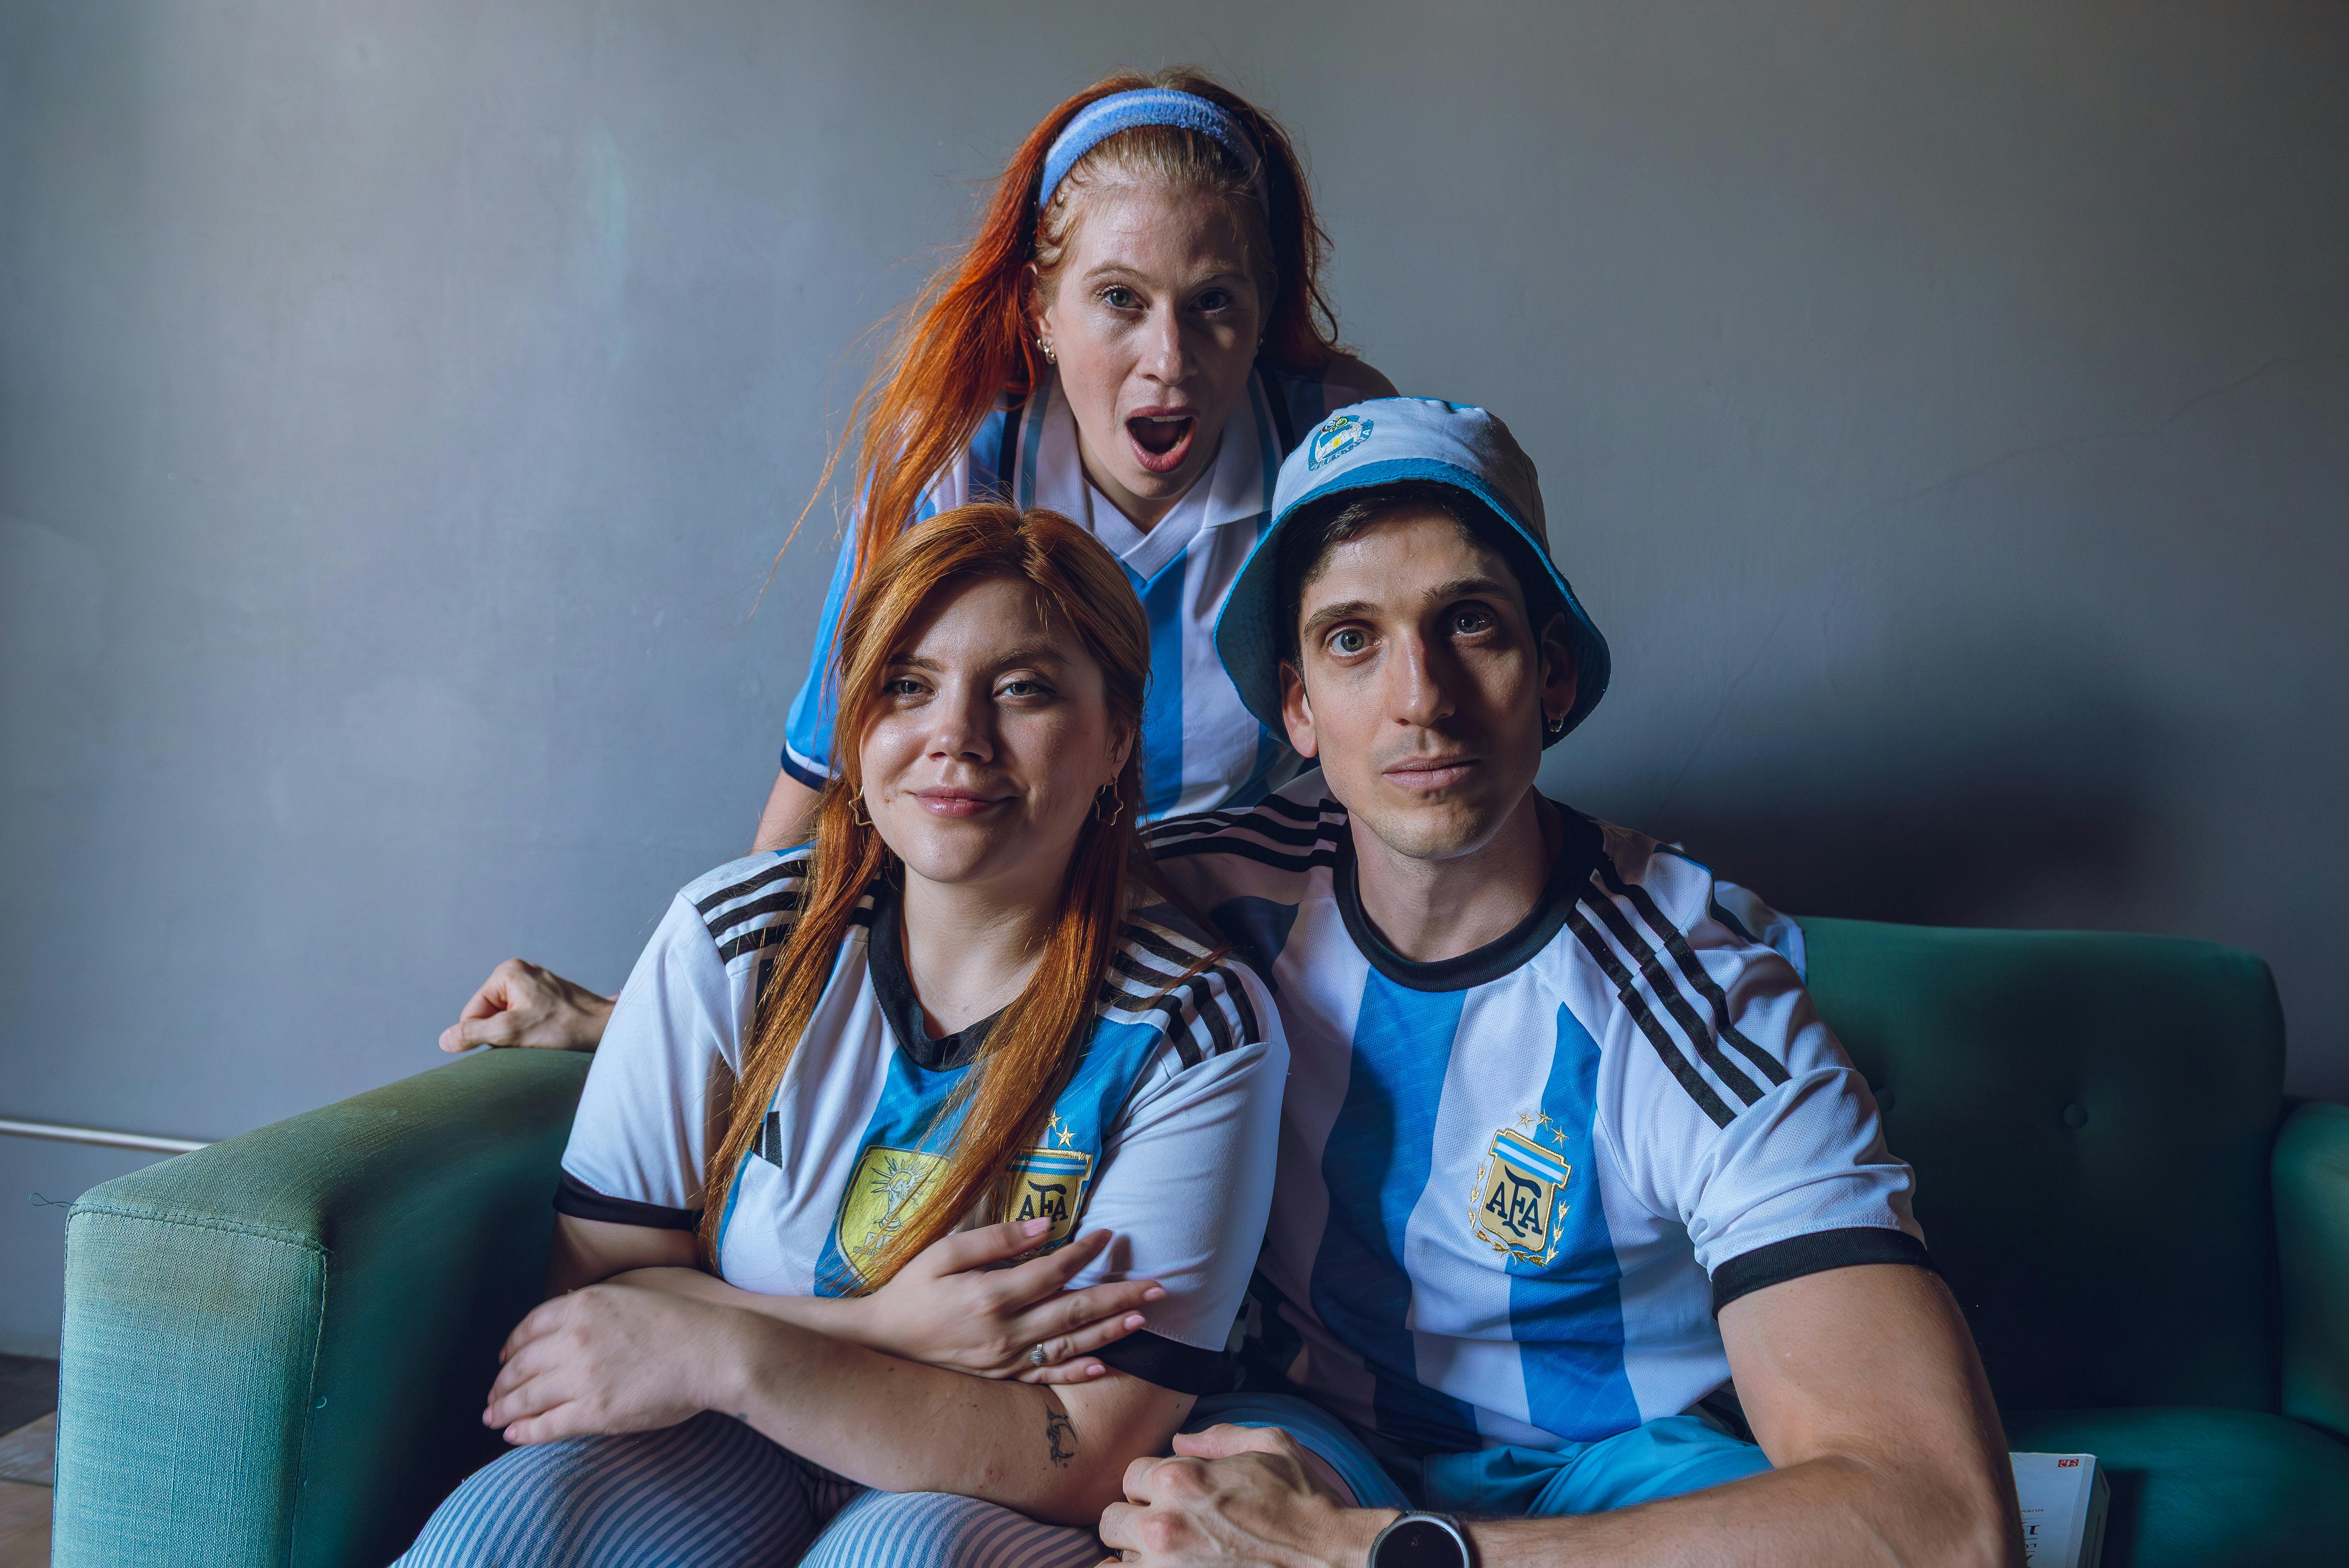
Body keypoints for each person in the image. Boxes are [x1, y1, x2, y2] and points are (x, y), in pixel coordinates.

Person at [817, 401, 2019, 1567]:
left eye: (1472, 625)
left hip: (1621, 1467)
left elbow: (1944, 1524)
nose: (1420, 698)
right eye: (1352, 639)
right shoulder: (1196, 897)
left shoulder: (1700, 993)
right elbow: (923, 888)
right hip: (1308, 1437)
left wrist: (1385, 1556)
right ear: (1297, 705)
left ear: (1552, 674)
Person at [442, 69, 1396, 1058]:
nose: (1169, 356)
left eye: (1213, 303)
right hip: (1023, 972)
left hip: (1289, 975)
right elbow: (829, 780)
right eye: (1120, 297)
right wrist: (642, 1017)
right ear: (1041, 309)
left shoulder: (1336, 443)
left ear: (1262, 304)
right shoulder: (953, 463)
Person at [398, 506, 1285, 1568]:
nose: (955, 734)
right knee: (505, 1533)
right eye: (908, 685)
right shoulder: (735, 938)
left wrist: (729, 1350)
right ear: (859, 728)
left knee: (895, 1554)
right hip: (733, 1449)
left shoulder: (1194, 1027)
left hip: (985, 1493)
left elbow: (1089, 1449)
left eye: (1024, 688)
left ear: (1116, 739)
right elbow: (595, 1304)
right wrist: (883, 1329)